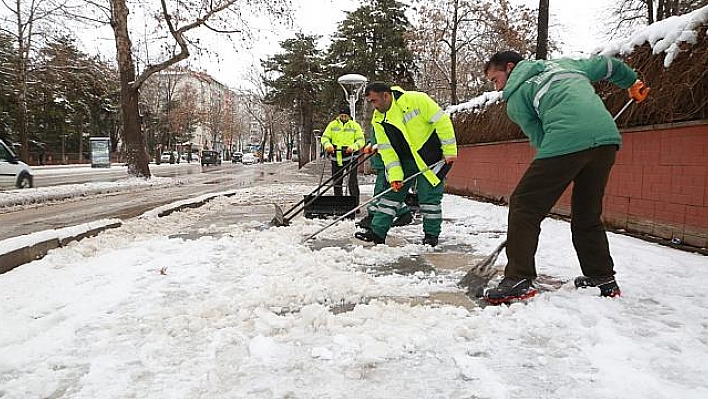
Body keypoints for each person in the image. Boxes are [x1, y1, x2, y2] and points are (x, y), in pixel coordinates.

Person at [481, 51, 649, 304]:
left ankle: (518, 278)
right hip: (606, 139)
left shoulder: (515, 99)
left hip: (564, 141)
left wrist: (556, 165)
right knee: (587, 213)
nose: (496, 87)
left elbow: (540, 138)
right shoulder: (567, 64)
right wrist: (632, 82)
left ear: (510, 67)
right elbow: (608, 65)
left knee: (524, 205)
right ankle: (602, 278)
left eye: (495, 79)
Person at [354, 82, 457, 247]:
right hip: (404, 161)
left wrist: (449, 150)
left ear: (386, 95)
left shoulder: (416, 100)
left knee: (429, 198)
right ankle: (377, 232)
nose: (373, 106)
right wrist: (395, 176)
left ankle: (431, 236)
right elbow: (387, 150)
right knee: (390, 196)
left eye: (374, 101)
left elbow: (442, 121)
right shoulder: (378, 119)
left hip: (429, 157)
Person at [355, 131, 413, 231]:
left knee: (380, 191)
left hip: (387, 162)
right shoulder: (377, 118)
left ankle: (373, 216)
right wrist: (370, 144)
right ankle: (404, 212)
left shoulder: (389, 118)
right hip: (380, 160)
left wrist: (379, 146)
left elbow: (392, 137)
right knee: (385, 192)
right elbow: (375, 135)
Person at [321, 109, 365, 201]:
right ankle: (339, 203)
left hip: (351, 157)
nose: (343, 118)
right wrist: (328, 145)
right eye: (342, 116)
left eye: (345, 116)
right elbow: (325, 138)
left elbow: (361, 140)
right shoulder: (332, 125)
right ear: (339, 116)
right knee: (337, 181)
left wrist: (353, 147)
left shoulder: (355, 126)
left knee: (352, 181)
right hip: (336, 157)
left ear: (349, 116)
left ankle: (355, 203)